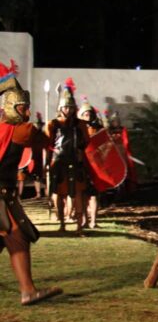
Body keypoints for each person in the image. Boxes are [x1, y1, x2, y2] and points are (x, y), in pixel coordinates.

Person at [0, 61, 63, 305]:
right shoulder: (21, 130)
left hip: (4, 194)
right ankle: (28, 291)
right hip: (2, 196)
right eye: (23, 107)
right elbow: (43, 141)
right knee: (17, 238)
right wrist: (52, 125)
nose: (27, 113)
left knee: (13, 239)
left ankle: (28, 290)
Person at [46, 79, 91, 234]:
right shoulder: (53, 124)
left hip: (75, 162)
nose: (68, 109)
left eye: (71, 107)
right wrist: (47, 163)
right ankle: (62, 225)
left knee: (77, 193)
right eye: (66, 106)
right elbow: (48, 144)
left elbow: (87, 142)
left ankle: (79, 226)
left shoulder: (81, 125)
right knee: (59, 194)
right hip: (58, 163)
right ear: (61, 107)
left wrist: (81, 152)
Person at [78, 98, 104, 229]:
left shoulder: (99, 129)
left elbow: (104, 146)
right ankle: (84, 220)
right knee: (82, 195)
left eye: (89, 114)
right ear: (81, 115)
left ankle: (93, 220)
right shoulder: (77, 129)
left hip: (95, 167)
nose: (87, 116)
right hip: (82, 165)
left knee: (93, 195)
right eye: (85, 114)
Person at [106, 111, 137, 195]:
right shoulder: (108, 130)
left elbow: (125, 140)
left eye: (117, 121)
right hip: (113, 153)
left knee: (125, 170)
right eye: (114, 121)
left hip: (122, 153)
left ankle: (124, 189)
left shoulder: (122, 129)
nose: (116, 122)